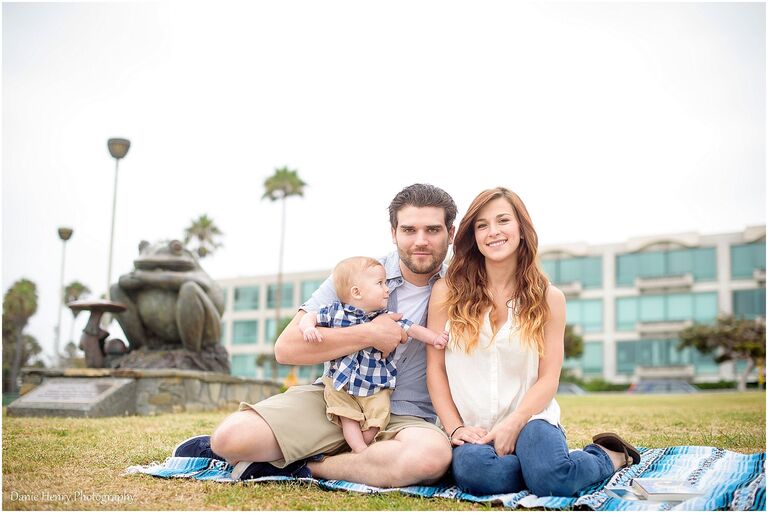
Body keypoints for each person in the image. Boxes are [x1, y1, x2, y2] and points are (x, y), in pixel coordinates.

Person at [172, 183, 457, 487]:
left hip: (407, 417)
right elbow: (286, 349)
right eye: (409, 230)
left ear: (450, 233)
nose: (421, 241)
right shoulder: (357, 276)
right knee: (231, 439)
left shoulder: (462, 287)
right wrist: (370, 333)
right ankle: (353, 457)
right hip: (336, 400)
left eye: (433, 230)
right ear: (393, 232)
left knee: (430, 458)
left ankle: (304, 466)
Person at [425, 187, 640, 497]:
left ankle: (609, 455)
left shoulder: (549, 299)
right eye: (482, 225)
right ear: (473, 236)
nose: (493, 232)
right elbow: (435, 369)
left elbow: (549, 377)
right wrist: (455, 427)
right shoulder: (447, 292)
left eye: (503, 221)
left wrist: (515, 421)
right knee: (478, 474)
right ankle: (535, 467)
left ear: (521, 230)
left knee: (556, 481)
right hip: (474, 429)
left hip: (531, 420)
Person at [299, 256, 449, 453]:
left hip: (375, 386)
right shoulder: (337, 313)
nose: (387, 288)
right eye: (380, 284)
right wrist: (308, 327)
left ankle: (361, 447)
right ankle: (359, 449)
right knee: (348, 417)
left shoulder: (384, 317)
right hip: (341, 385)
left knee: (378, 419)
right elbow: (311, 315)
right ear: (356, 292)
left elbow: (412, 328)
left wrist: (435, 338)